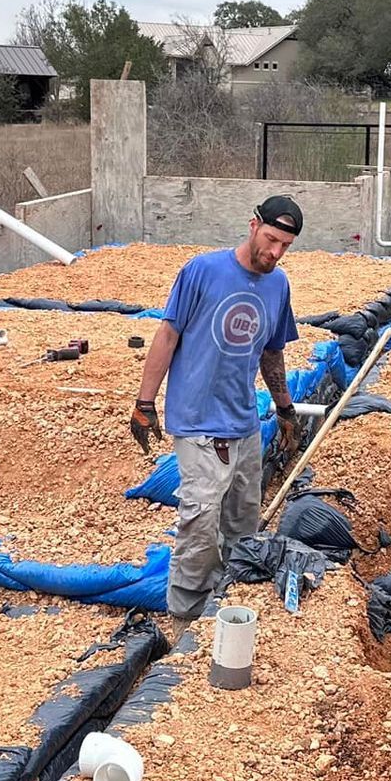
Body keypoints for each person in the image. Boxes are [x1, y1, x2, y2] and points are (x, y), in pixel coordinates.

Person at [131, 196, 306, 620]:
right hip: (196, 419)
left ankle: (231, 598)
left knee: (244, 517)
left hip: (243, 421)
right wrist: (144, 402)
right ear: (252, 226)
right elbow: (168, 336)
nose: (276, 252)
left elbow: (271, 352)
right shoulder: (202, 272)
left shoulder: (278, 285)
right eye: (271, 240)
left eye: (285, 245)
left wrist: (285, 409)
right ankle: (186, 616)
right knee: (200, 516)